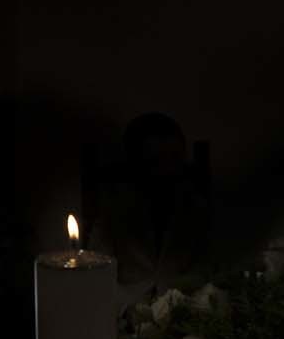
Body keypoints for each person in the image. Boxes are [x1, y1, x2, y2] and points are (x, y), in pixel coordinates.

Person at [87, 112, 211, 305]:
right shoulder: (113, 210)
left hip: (185, 310)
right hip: (124, 312)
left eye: (175, 160)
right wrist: (127, 308)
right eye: (155, 162)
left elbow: (208, 269)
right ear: (135, 164)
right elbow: (97, 274)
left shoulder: (197, 209)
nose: (167, 171)